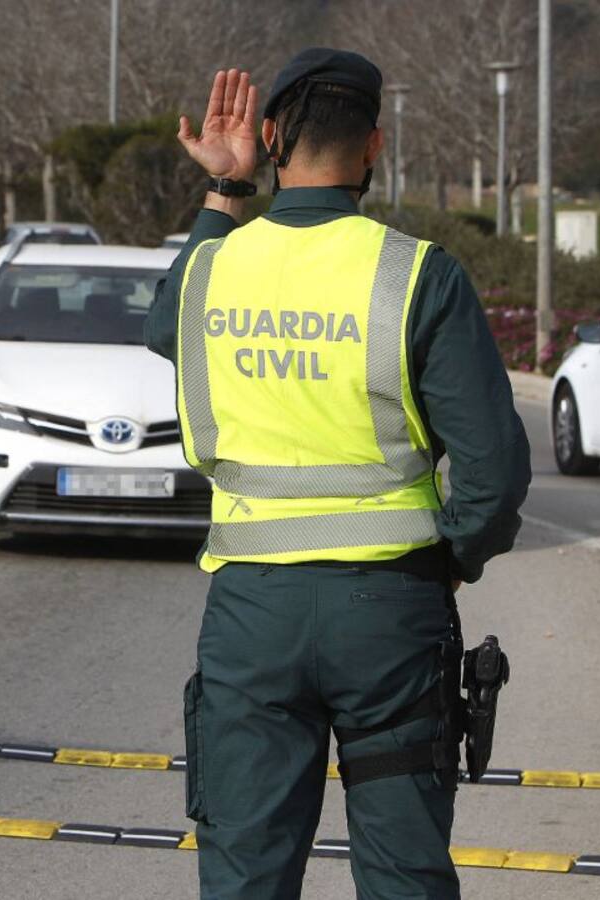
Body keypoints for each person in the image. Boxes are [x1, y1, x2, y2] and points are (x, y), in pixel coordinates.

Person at [145, 48, 532, 899]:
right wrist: (452, 559)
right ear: (375, 146)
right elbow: (495, 471)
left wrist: (226, 190)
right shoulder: (417, 272)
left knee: (245, 873)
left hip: (253, 617)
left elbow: (161, 326)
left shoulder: (211, 269)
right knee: (403, 874)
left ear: (272, 138)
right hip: (390, 612)